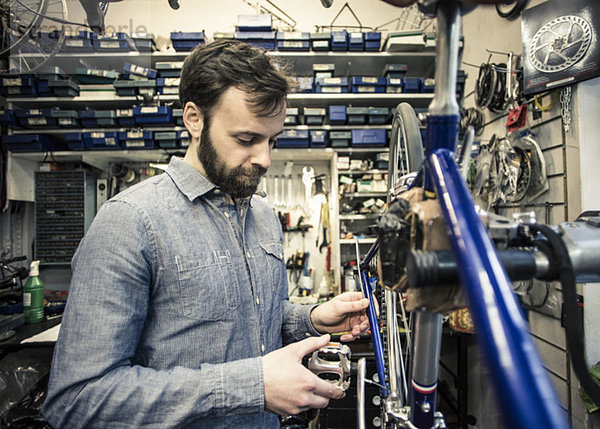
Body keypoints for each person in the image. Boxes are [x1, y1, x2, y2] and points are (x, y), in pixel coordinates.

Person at [42, 40, 372, 428]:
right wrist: (251, 386)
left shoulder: (262, 215)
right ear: (194, 119)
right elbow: (78, 400)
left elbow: (253, 321)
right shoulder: (129, 223)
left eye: (273, 141)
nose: (265, 159)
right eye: (247, 140)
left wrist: (313, 318)